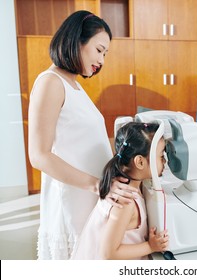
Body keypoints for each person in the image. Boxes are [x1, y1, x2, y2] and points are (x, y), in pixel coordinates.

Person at [28, 10, 135, 260]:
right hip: (74, 197)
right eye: (99, 50)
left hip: (90, 195)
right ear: (77, 41)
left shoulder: (74, 85)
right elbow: (39, 155)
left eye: (105, 54)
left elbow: (86, 141)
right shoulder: (50, 82)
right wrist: (97, 184)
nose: (102, 61)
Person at [71, 122, 169, 260]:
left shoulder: (123, 183)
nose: (165, 160)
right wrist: (151, 246)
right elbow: (108, 254)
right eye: (161, 156)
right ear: (140, 162)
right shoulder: (125, 201)